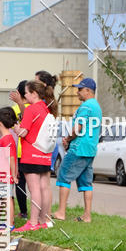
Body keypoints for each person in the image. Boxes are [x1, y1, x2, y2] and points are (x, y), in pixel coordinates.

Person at [53, 78, 102, 223]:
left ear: (88, 90)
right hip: (90, 149)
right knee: (86, 183)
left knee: (63, 176)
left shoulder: (86, 106)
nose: (77, 92)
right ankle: (87, 215)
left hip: (78, 147)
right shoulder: (97, 107)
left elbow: (78, 127)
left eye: (80, 89)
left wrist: (68, 139)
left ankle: (61, 212)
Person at [15, 80, 54, 232]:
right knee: (44, 188)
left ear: (34, 94)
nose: (24, 95)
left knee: (34, 189)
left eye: (26, 92)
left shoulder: (31, 109)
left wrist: (17, 128)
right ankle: (43, 221)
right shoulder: (46, 108)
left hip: (31, 153)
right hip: (45, 154)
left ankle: (32, 223)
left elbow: (23, 132)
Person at [0, 107, 19, 229]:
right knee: (2, 197)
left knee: (7, 198)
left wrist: (13, 174)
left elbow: (11, 158)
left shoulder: (7, 139)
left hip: (6, 175)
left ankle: (10, 223)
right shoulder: (3, 138)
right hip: (0, 174)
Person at [8, 80, 29, 221]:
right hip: (27, 152)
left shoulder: (16, 109)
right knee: (31, 184)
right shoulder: (35, 106)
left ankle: (23, 211)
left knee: (19, 184)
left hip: (18, 151)